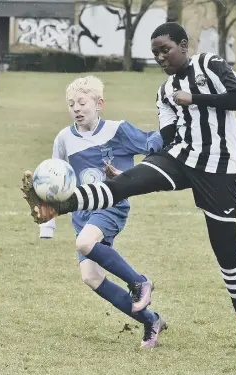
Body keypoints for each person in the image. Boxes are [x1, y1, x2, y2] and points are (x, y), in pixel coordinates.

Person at [25, 23, 236, 352]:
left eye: (166, 50)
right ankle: (61, 205)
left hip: (219, 168)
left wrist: (194, 98)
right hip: (179, 158)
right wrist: (142, 166)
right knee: (122, 184)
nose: (161, 57)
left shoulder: (210, 65)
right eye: (155, 54)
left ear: (183, 44)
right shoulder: (164, 92)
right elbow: (166, 137)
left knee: (226, 250)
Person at [36, 75, 167, 349]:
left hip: (110, 206)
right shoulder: (63, 139)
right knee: (90, 277)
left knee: (84, 243)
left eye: (82, 103)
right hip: (81, 213)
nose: (76, 108)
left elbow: (153, 139)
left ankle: (140, 282)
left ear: (99, 104)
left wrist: (137, 169)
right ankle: (151, 320)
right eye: (71, 104)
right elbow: (55, 181)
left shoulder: (117, 130)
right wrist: (46, 225)